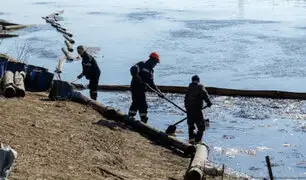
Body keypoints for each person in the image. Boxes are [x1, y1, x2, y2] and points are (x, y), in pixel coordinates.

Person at [128, 52, 164, 123]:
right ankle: (143, 119)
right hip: (135, 87)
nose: (155, 65)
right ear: (152, 60)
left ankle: (131, 116)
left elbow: (152, 84)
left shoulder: (151, 71)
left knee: (136, 102)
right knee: (142, 104)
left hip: (142, 89)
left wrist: (159, 92)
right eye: (156, 63)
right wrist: (140, 81)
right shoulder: (142, 64)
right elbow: (133, 70)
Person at [184, 75, 212, 144]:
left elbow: (185, 99)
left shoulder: (189, 87)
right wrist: (209, 102)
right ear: (198, 80)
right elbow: (205, 95)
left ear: (192, 80)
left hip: (189, 109)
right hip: (197, 110)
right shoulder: (200, 86)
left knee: (191, 126)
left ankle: (191, 140)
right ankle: (197, 141)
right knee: (201, 127)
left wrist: (187, 109)